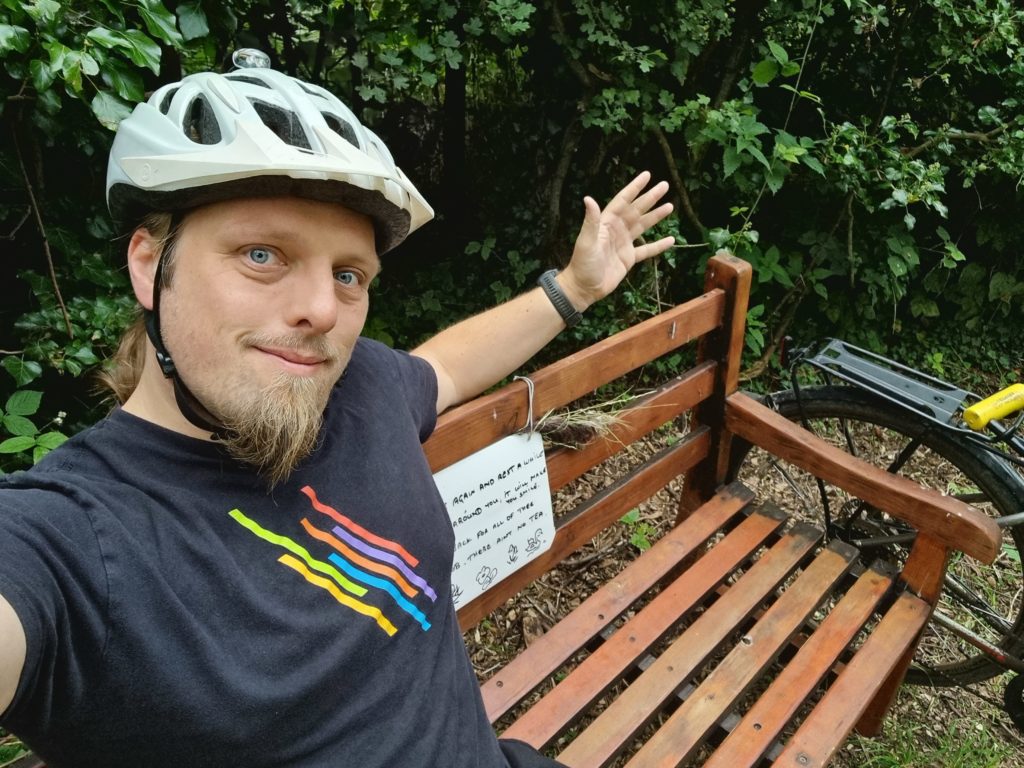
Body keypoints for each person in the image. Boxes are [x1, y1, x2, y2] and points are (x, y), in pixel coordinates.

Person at [0, 52, 674, 768]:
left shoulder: (359, 386)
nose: (321, 310)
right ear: (147, 263)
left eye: (348, 274)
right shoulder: (72, 537)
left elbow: (443, 367)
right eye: (262, 254)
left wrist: (574, 287)